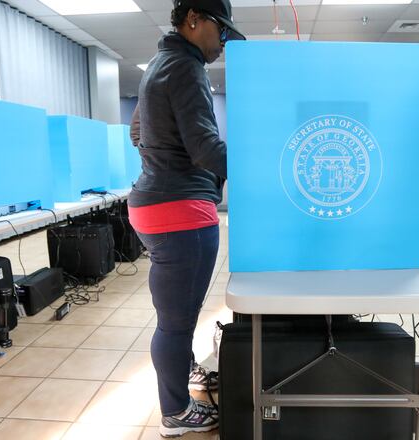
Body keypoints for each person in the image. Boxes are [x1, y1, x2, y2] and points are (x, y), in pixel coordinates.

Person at [126, 0, 244, 437]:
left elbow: (137, 131)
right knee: (175, 323)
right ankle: (176, 412)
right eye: (222, 30)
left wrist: (160, 164)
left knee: (178, 315)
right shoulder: (187, 67)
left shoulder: (158, 64)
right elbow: (206, 149)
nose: (224, 41)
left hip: (153, 205)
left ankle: (186, 374)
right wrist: (262, 168)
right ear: (193, 19)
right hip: (180, 211)